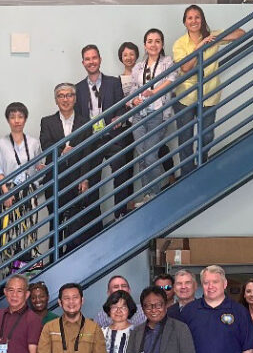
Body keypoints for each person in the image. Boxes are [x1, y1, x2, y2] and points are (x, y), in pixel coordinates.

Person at [172, 5, 245, 170]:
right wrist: (199, 47)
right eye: (190, 18)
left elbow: (241, 33)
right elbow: (185, 68)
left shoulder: (213, 36)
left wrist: (217, 39)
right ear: (185, 22)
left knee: (206, 136)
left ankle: (202, 162)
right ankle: (187, 175)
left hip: (210, 93)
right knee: (185, 138)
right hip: (186, 96)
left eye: (197, 17)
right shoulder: (180, 44)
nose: (194, 21)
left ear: (202, 19)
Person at [39, 83, 97, 253]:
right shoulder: (47, 121)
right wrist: (62, 149)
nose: (65, 99)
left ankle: (72, 262)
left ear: (75, 98)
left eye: (69, 95)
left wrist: (85, 178)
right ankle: (54, 262)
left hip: (77, 180)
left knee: (76, 225)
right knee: (55, 224)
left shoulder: (85, 122)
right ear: (56, 100)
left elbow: (88, 152)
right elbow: (46, 145)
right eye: (61, 96)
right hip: (55, 180)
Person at [74, 44, 125, 220]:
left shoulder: (113, 82)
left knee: (121, 171)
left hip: (112, 137)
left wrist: (120, 117)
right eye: (87, 59)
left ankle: (120, 214)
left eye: (94, 58)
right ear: (83, 63)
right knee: (90, 181)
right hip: (90, 141)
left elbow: (123, 107)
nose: (91, 62)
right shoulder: (78, 88)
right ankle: (95, 224)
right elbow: (78, 118)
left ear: (100, 59)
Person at [0, 102, 43, 271]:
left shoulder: (34, 142)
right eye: (13, 117)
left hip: (29, 192)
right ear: (8, 120)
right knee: (11, 234)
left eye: (20, 116)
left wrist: (39, 170)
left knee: (30, 231)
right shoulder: (1, 143)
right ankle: (11, 273)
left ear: (26, 119)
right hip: (10, 192)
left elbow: (39, 168)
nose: (17, 120)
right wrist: (6, 193)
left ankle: (30, 271)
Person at [129, 28, 176, 202]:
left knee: (150, 156)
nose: (153, 44)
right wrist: (133, 100)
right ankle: (147, 195)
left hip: (157, 113)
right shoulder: (138, 66)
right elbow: (134, 88)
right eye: (150, 41)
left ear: (162, 44)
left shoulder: (167, 61)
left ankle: (156, 194)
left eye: (157, 41)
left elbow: (172, 79)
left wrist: (153, 92)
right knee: (142, 157)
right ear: (144, 45)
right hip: (139, 115)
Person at [112, 41, 140, 217]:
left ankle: (169, 178)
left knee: (155, 150)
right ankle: (126, 203)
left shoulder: (143, 73)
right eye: (125, 55)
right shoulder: (117, 81)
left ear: (136, 55)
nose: (128, 57)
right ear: (121, 58)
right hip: (126, 125)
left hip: (144, 119)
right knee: (127, 163)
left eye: (131, 54)